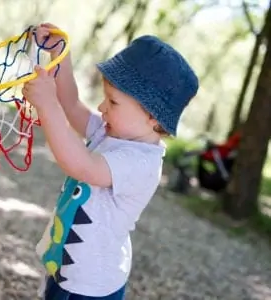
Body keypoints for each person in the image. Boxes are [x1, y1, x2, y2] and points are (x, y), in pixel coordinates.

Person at [21, 23, 199, 299]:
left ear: (153, 116)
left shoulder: (141, 163)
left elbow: (82, 165)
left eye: (113, 102)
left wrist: (47, 106)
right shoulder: (110, 131)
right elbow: (70, 105)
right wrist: (60, 55)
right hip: (68, 266)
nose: (102, 107)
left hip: (92, 286)